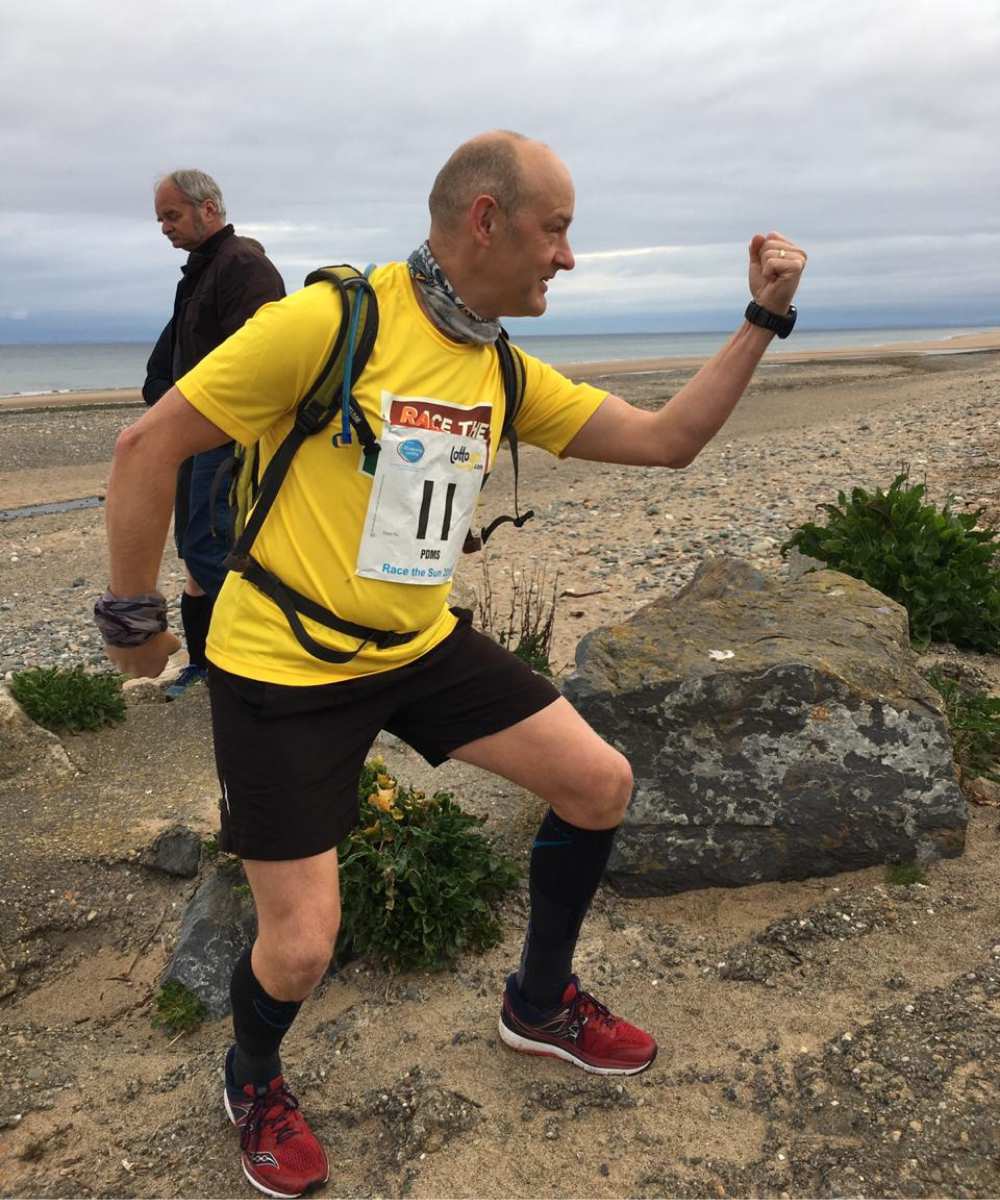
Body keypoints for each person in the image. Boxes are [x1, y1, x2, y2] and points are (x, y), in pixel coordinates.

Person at [97, 131, 806, 1198]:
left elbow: (666, 442)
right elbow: (145, 446)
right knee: (299, 949)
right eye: (556, 230)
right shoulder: (331, 322)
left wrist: (762, 318)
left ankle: (539, 1003)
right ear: (486, 219)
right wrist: (133, 619)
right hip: (283, 667)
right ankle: (251, 1078)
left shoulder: (494, 364)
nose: (566, 258)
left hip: (418, 645)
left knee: (599, 782)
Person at [145, 171, 285, 700]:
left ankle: (253, 665)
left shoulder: (243, 264)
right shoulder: (199, 273)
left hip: (224, 433)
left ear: (209, 210)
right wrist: (161, 402)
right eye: (160, 218)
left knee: (212, 545)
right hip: (191, 431)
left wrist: (200, 416)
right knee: (194, 550)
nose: (164, 228)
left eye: (171, 215)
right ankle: (207, 665)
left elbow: (260, 357)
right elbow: (172, 357)